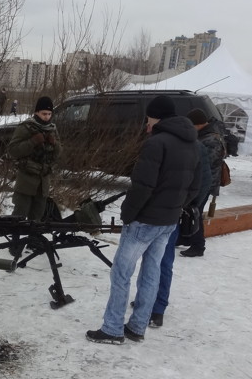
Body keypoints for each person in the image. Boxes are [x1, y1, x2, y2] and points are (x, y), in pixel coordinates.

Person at [86, 95, 200, 344]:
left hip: (145, 220)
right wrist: (177, 205)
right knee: (151, 272)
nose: (146, 123)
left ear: (155, 116)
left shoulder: (156, 143)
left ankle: (113, 328)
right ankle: (137, 326)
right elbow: (196, 184)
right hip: (169, 221)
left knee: (121, 273)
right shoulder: (192, 143)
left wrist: (128, 214)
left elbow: (142, 186)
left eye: (147, 118)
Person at [148, 112, 213, 328]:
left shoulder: (196, 146)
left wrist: (186, 206)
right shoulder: (164, 142)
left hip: (173, 214)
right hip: (157, 213)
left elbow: (202, 182)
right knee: (152, 260)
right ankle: (148, 299)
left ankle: (158, 308)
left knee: (163, 261)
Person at [6, 96, 62, 221]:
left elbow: (58, 154)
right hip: (26, 181)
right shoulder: (25, 127)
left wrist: (54, 144)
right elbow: (12, 151)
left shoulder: (52, 129)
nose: (46, 117)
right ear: (36, 112)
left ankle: (33, 240)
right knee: (19, 218)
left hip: (43, 184)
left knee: (37, 219)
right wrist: (32, 141)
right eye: (43, 114)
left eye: (49, 114)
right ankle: (15, 239)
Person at [179, 108, 226, 258]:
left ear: (198, 124)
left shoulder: (211, 139)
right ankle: (185, 237)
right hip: (200, 182)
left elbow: (206, 163)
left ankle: (198, 245)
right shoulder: (204, 136)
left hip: (205, 184)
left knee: (195, 213)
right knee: (188, 211)